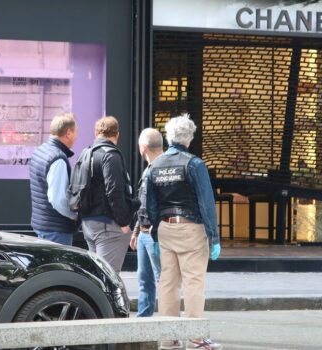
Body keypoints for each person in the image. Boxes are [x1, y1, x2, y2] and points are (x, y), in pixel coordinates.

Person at [147, 114, 222, 350]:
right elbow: (206, 202)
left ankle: (170, 338)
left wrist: (155, 234)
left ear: (169, 137)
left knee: (168, 282)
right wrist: (214, 237)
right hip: (191, 228)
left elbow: (150, 205)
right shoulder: (194, 164)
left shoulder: (155, 166)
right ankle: (196, 338)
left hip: (166, 229)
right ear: (189, 138)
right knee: (194, 282)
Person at [81, 116, 140, 273]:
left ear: (96, 133)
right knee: (108, 278)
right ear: (117, 135)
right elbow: (114, 191)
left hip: (89, 224)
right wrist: (124, 223)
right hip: (108, 225)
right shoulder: (111, 156)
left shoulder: (86, 153)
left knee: (97, 277)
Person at [30, 112, 78, 245]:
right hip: (56, 229)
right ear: (68, 133)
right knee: (57, 266)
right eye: (75, 132)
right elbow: (58, 200)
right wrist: (75, 216)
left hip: (42, 224)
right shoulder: (58, 159)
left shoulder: (40, 151)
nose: (76, 137)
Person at [130, 128, 162, 317]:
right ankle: (143, 321)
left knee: (161, 280)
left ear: (143, 147)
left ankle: (168, 321)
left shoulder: (159, 168)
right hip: (144, 232)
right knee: (145, 280)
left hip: (153, 233)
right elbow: (144, 204)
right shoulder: (149, 169)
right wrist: (136, 231)